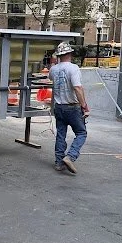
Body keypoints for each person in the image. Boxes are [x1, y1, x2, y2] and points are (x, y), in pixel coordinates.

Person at [49, 41, 88, 174]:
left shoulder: (53, 69)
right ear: (70, 53)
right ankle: (70, 156)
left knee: (61, 134)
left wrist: (54, 62)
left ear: (59, 55)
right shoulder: (73, 68)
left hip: (59, 107)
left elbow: (51, 78)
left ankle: (59, 163)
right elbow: (77, 88)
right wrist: (84, 106)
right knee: (81, 133)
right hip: (72, 107)